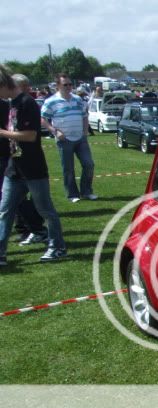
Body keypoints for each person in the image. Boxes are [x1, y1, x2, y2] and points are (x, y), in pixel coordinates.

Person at [0, 66, 67, 265]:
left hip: (33, 168)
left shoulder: (27, 103)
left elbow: (30, 136)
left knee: (46, 210)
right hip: (15, 168)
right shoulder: (11, 103)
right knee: (5, 211)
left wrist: (2, 133)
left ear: (4, 85)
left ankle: (58, 247)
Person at [40, 73, 97, 202]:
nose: (69, 86)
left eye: (70, 84)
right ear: (58, 86)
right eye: (65, 84)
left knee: (89, 164)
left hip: (80, 138)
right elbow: (43, 119)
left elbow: (84, 115)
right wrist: (54, 131)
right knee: (68, 168)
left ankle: (86, 191)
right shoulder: (51, 101)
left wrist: (85, 131)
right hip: (63, 140)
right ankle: (72, 194)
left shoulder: (77, 99)